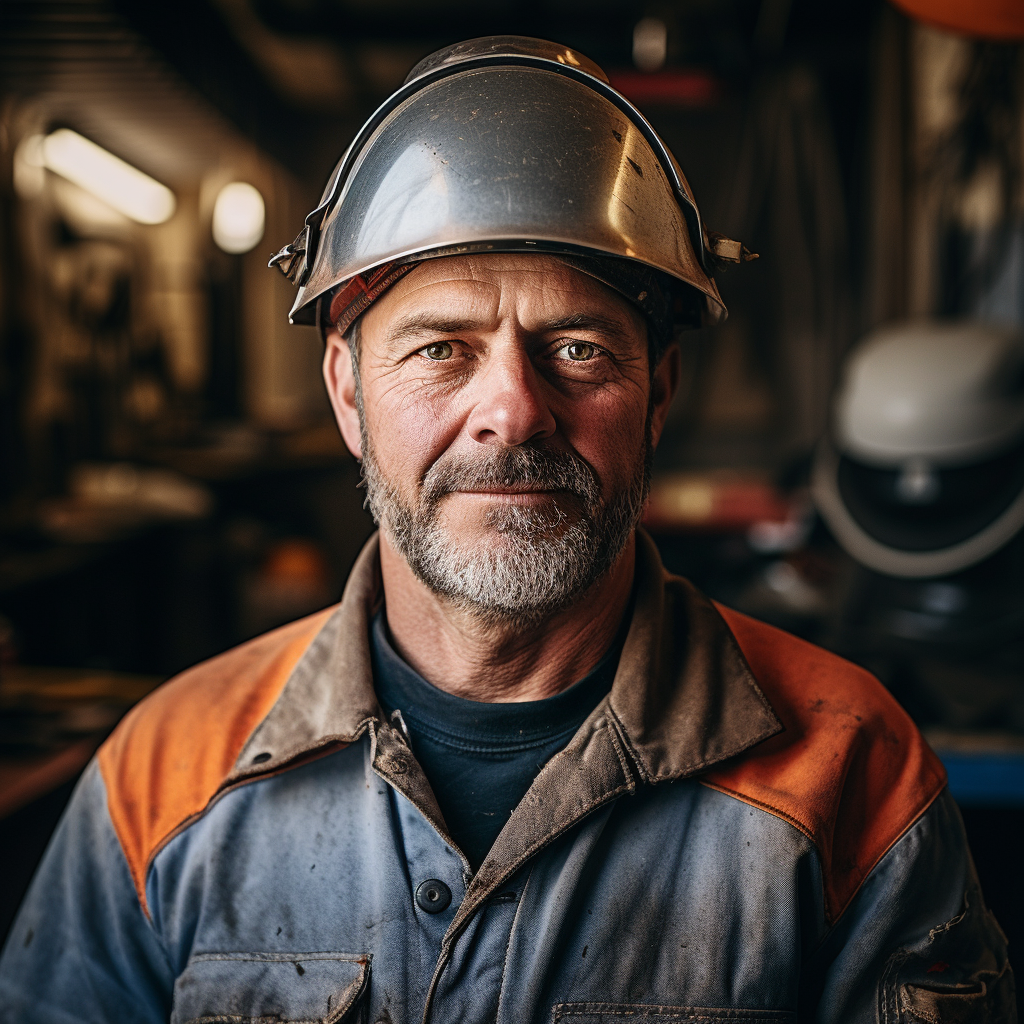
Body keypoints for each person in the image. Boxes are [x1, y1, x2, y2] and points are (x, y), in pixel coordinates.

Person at [0, 36, 1014, 1024]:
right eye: (442, 348)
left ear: (657, 392)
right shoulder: (164, 770)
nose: (515, 411)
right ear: (348, 393)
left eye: (575, 347)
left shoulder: (852, 771)